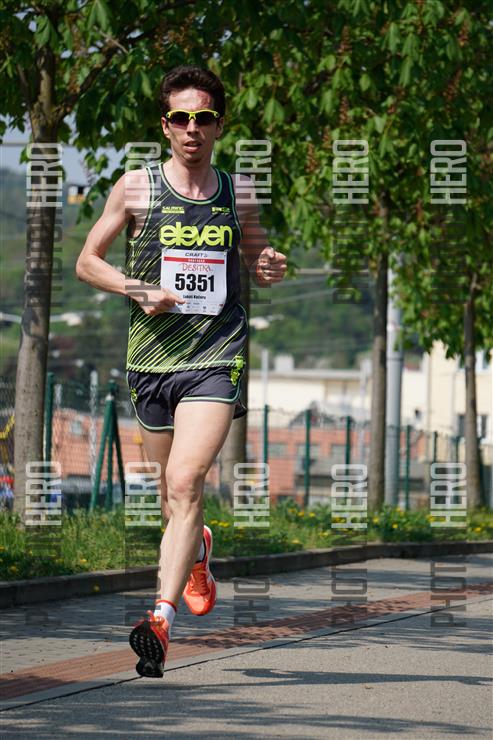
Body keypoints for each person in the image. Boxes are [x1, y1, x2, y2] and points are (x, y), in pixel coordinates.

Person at [76, 65, 287, 678]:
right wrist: (137, 287)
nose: (192, 128)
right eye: (181, 118)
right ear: (165, 126)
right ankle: (197, 553)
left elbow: (257, 254)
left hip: (217, 355)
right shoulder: (136, 188)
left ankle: (159, 621)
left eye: (204, 118)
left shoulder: (237, 192)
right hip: (152, 361)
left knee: (187, 479)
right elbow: (88, 261)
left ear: (219, 124)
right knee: (173, 498)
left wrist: (268, 264)